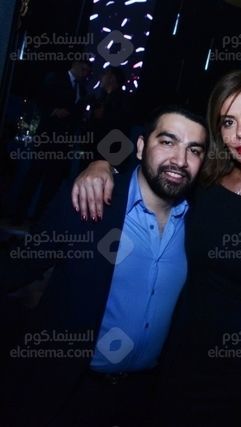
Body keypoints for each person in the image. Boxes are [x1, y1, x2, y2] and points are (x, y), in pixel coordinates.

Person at [69, 70, 241, 425]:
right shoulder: (205, 182)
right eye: (228, 122)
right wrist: (102, 166)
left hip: (240, 368)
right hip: (174, 354)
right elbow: (158, 166)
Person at [1, 105, 208, 426]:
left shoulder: (199, 223)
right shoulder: (90, 199)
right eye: (168, 142)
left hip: (142, 399)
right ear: (141, 147)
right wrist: (100, 164)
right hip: (69, 391)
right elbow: (16, 270)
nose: (180, 160)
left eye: (193, 150)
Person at [11, 60, 92, 224]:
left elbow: (77, 113)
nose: (84, 73)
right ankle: (18, 215)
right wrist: (53, 111)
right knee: (34, 176)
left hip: (64, 141)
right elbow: (41, 100)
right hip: (47, 136)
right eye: (83, 69)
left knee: (52, 181)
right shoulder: (55, 78)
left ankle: (39, 219)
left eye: (87, 71)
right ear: (75, 65)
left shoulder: (82, 89)